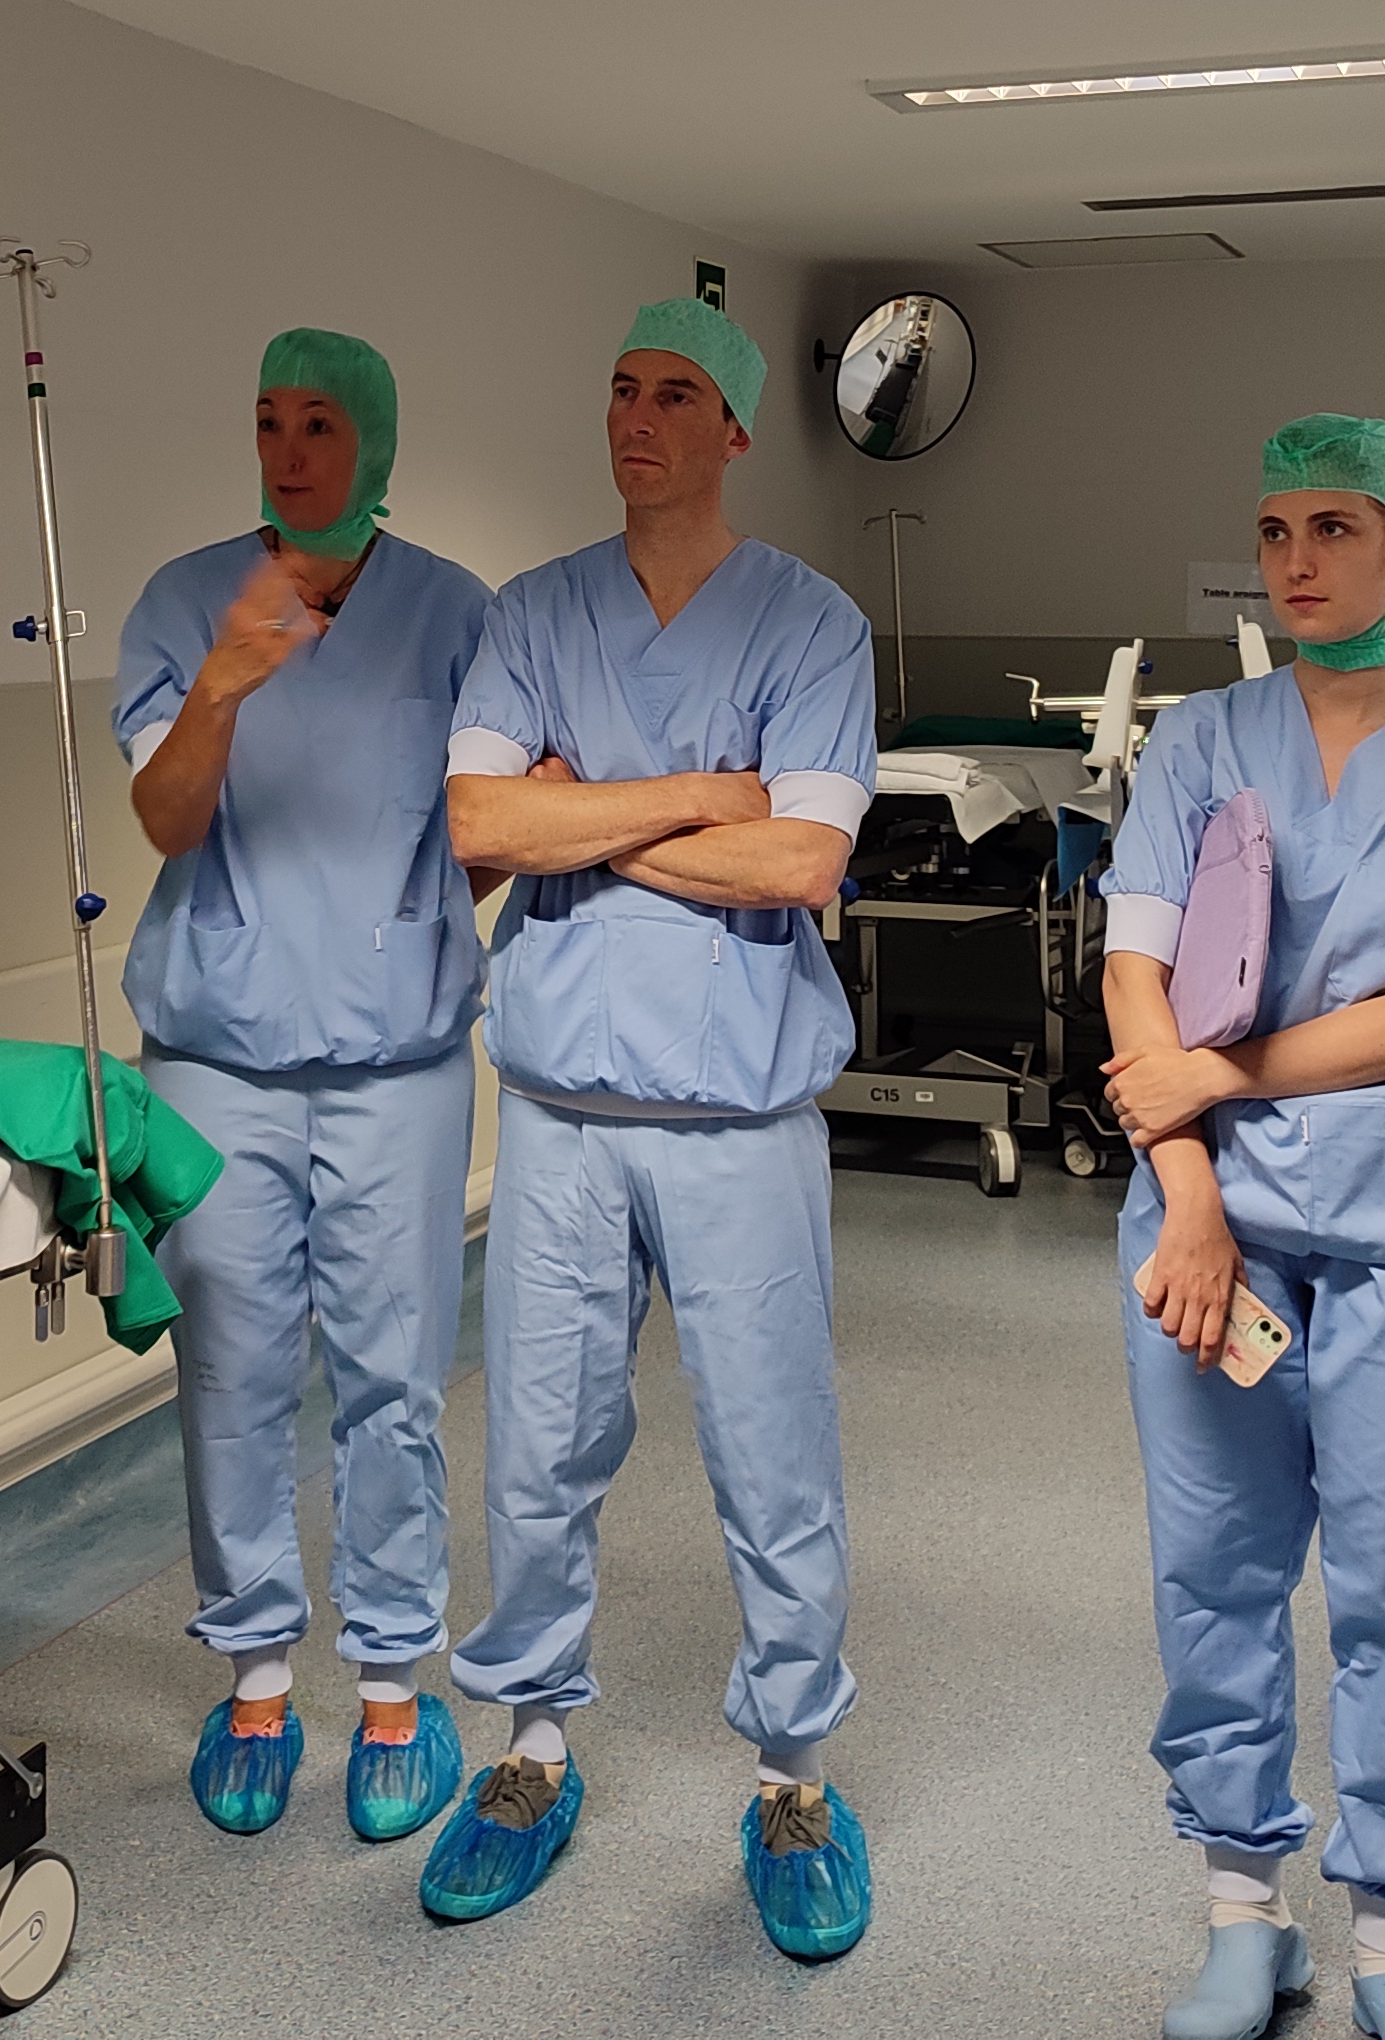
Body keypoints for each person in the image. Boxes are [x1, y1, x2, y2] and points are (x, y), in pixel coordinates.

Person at [422, 299, 878, 1959]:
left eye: (675, 393)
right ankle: (533, 1748)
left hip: (740, 1116)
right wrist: (699, 794)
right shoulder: (533, 611)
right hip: (560, 1112)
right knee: (538, 1446)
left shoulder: (810, 624)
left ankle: (794, 1779)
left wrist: (583, 815)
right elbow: (475, 824)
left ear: (733, 430)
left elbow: (803, 863)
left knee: (772, 1450)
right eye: (621, 388)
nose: (636, 415)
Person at [1107, 416, 1385, 2040]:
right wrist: (1191, 1195)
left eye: (1335, 527)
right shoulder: (1199, 742)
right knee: (1215, 1575)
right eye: (1274, 529)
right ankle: (1245, 1913)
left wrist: (1210, 1078)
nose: (1295, 560)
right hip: (1211, 1228)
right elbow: (1137, 972)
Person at [115, 330, 491, 1848]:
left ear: (375, 440)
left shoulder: (457, 614)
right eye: (268, 420)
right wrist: (220, 685)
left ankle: (395, 1684)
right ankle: (258, 1679)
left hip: (396, 1063)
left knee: (395, 1378)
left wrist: (414, 937)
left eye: (320, 422)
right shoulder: (182, 602)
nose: (288, 450)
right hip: (219, 1057)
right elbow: (164, 819)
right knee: (230, 1369)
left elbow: (489, 824)